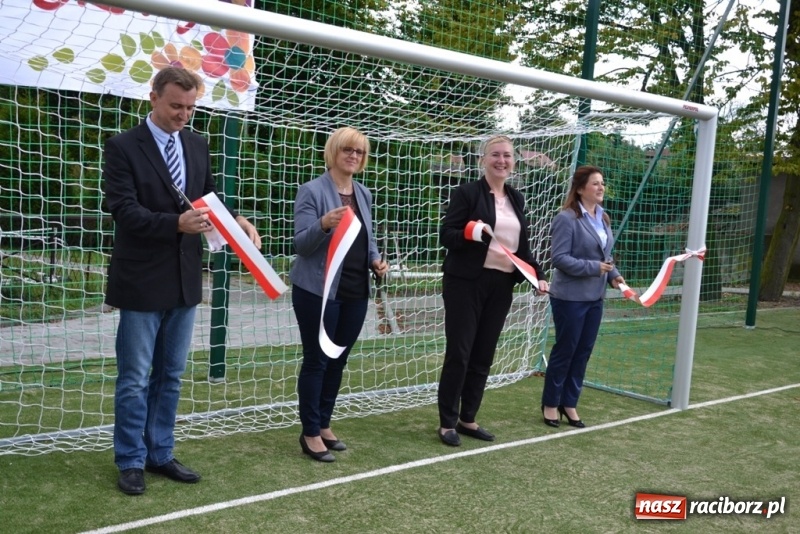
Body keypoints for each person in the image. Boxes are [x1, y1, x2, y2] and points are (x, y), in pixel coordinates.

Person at [103, 66, 261, 495]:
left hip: (186, 278)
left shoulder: (196, 144)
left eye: (190, 108)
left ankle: (160, 453)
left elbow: (208, 198)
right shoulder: (122, 147)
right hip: (140, 279)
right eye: (176, 106)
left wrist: (236, 220)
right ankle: (131, 459)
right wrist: (176, 223)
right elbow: (123, 211)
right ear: (152, 97)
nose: (183, 115)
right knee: (135, 377)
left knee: (171, 375)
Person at [437, 135, 549, 446]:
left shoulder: (516, 198)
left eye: (507, 156)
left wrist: (538, 274)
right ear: (483, 160)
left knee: (483, 354)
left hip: (501, 286)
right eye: (495, 155)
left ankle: (468, 418)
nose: (501, 161)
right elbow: (446, 234)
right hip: (465, 283)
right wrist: (471, 234)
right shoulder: (467, 193)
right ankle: (447, 423)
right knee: (460, 353)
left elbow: (520, 247)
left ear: (514, 162)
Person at [290, 127, 389, 462]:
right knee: (317, 360)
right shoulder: (311, 191)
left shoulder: (364, 193)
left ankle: (325, 422)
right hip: (317, 291)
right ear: (334, 151)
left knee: (338, 360)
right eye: (348, 149)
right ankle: (310, 432)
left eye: (360, 152)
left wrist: (376, 259)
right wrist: (322, 225)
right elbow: (301, 245)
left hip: (355, 290)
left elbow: (368, 237)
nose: (354, 156)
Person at [541, 165, 636, 429]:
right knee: (566, 350)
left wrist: (614, 276)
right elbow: (559, 259)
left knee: (583, 351)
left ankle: (569, 403)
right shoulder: (566, 218)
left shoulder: (603, 217)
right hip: (570, 297)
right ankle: (551, 404)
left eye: (602, 183)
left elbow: (604, 257)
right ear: (581, 188)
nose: (601, 187)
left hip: (596, 296)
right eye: (595, 183)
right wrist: (594, 268)